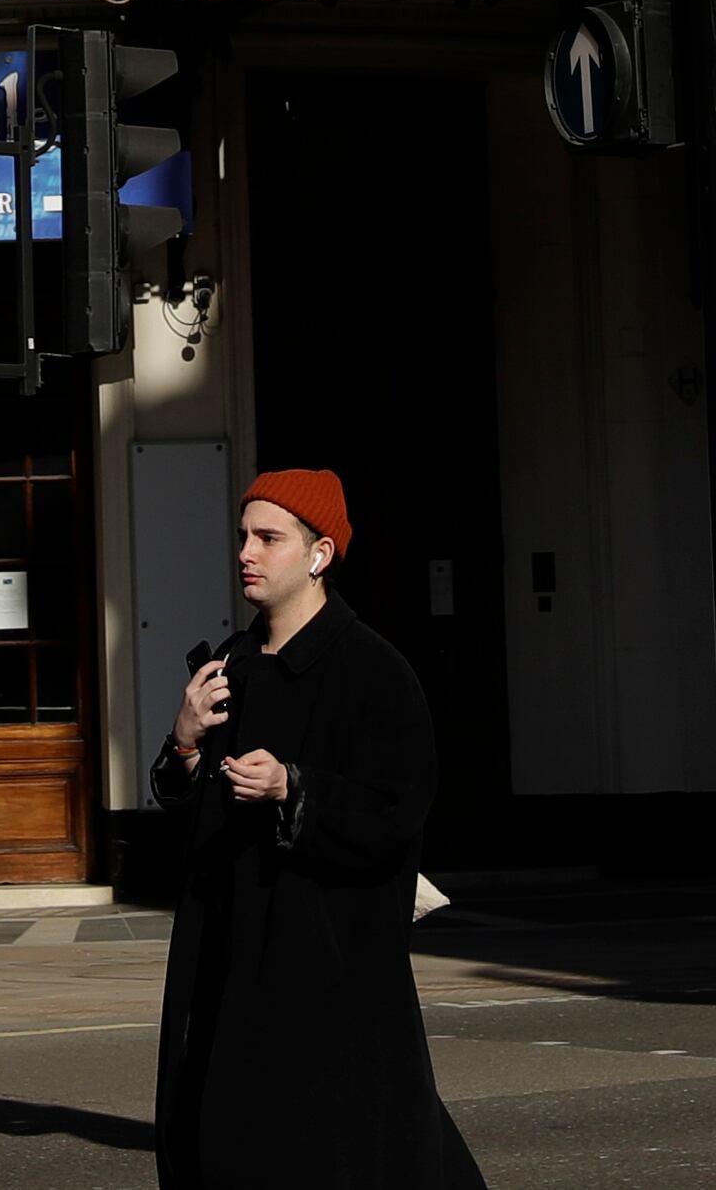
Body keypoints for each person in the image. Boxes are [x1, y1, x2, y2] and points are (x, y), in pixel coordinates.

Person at [152, 470, 483, 1190]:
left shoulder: (374, 671)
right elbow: (188, 807)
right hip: (229, 948)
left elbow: (395, 809)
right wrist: (181, 744)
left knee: (343, 1145)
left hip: (324, 958)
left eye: (269, 537)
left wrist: (293, 787)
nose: (247, 551)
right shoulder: (232, 663)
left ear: (320, 552)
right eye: (244, 534)